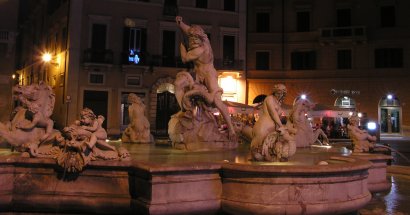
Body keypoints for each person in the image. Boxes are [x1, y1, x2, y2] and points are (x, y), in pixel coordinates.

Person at [176, 16, 236, 139]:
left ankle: (231, 129)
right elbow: (190, 30)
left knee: (217, 101)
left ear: (199, 39)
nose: (191, 41)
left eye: (193, 39)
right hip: (198, 74)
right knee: (179, 84)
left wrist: (182, 43)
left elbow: (184, 58)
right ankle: (184, 110)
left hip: (209, 74)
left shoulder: (200, 49)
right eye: (190, 38)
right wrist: (181, 23)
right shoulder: (203, 39)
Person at [251, 84, 288, 159]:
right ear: (274, 92)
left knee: (269, 149)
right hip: (263, 126)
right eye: (278, 93)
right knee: (258, 150)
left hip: (272, 128)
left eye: (281, 93)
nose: (280, 95)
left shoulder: (279, 103)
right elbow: (273, 113)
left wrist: (278, 127)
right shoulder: (269, 98)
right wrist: (281, 125)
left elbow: (279, 116)